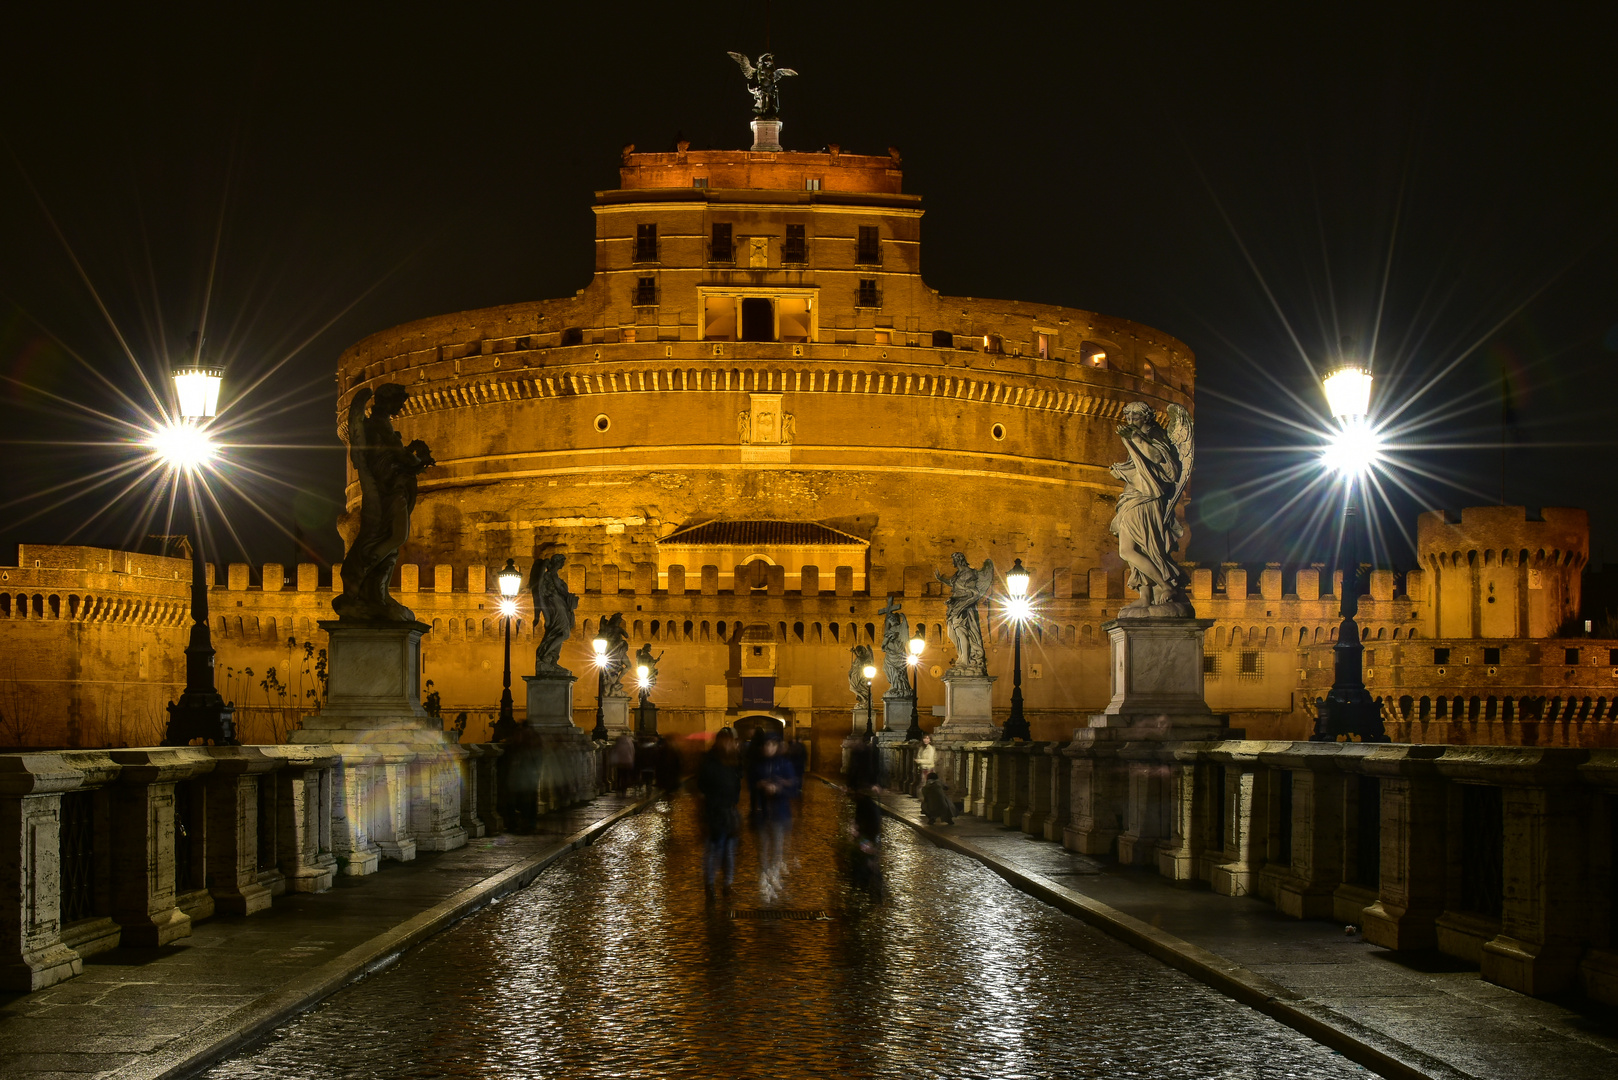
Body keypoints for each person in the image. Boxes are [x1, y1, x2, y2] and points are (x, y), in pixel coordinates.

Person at [697, 730, 742, 898]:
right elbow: (702, 787)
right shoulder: (710, 761)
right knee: (715, 850)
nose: (732, 744)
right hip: (715, 812)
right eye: (729, 741)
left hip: (730, 811)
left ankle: (727, 885)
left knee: (729, 851)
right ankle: (709, 885)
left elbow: (736, 784)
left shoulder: (733, 760)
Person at [750, 736, 796, 900]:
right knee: (762, 848)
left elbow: (793, 789)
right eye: (766, 744)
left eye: (772, 745)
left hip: (779, 813)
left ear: (777, 746)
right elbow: (751, 788)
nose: (769, 748)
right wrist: (760, 785)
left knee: (777, 848)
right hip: (762, 813)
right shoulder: (758, 766)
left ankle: (774, 875)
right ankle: (763, 877)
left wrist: (778, 789)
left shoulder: (785, 764)